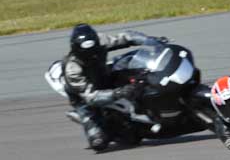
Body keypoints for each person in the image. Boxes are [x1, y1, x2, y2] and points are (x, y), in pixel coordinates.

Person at [63, 23, 164, 152]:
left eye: (93, 51)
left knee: (132, 65)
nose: (92, 55)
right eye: (86, 53)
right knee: (99, 142)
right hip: (84, 98)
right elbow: (91, 97)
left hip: (104, 77)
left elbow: (127, 37)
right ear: (76, 49)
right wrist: (119, 93)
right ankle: (87, 119)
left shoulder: (101, 41)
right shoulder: (72, 69)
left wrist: (152, 41)